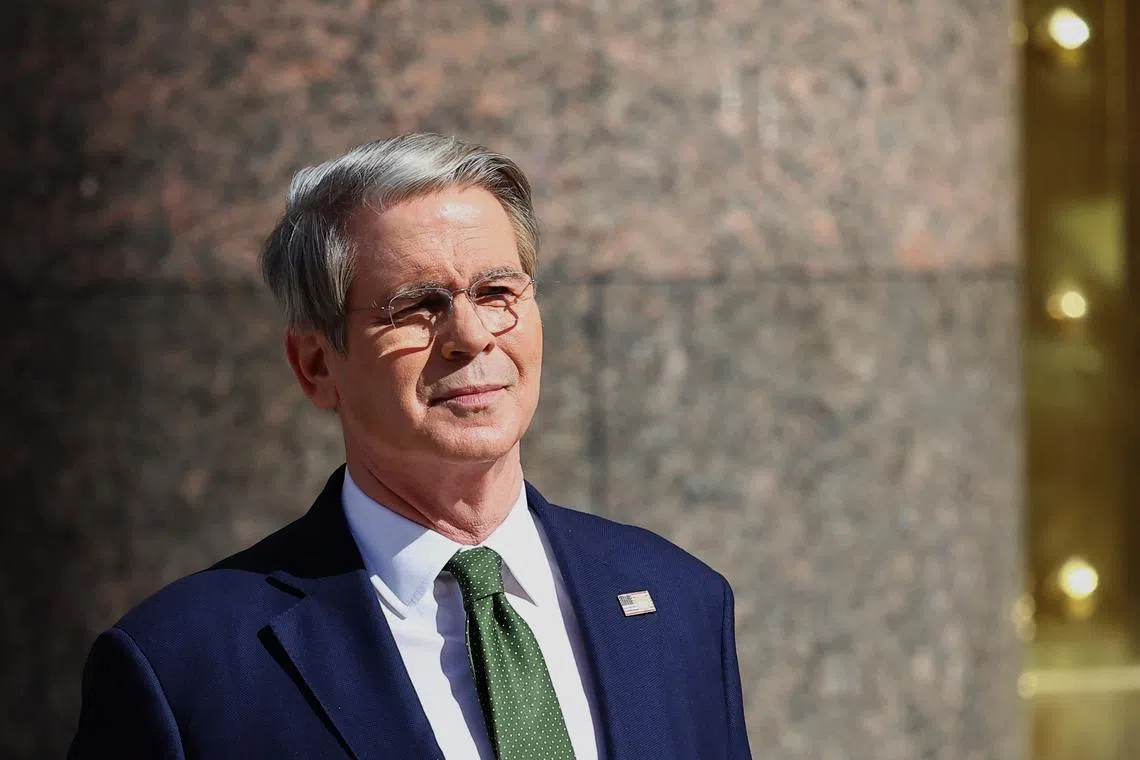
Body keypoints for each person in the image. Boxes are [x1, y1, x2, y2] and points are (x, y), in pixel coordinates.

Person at [69, 133, 752, 760]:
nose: (471, 336)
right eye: (417, 306)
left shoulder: (681, 602)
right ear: (315, 365)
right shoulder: (184, 665)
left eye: (495, 292)